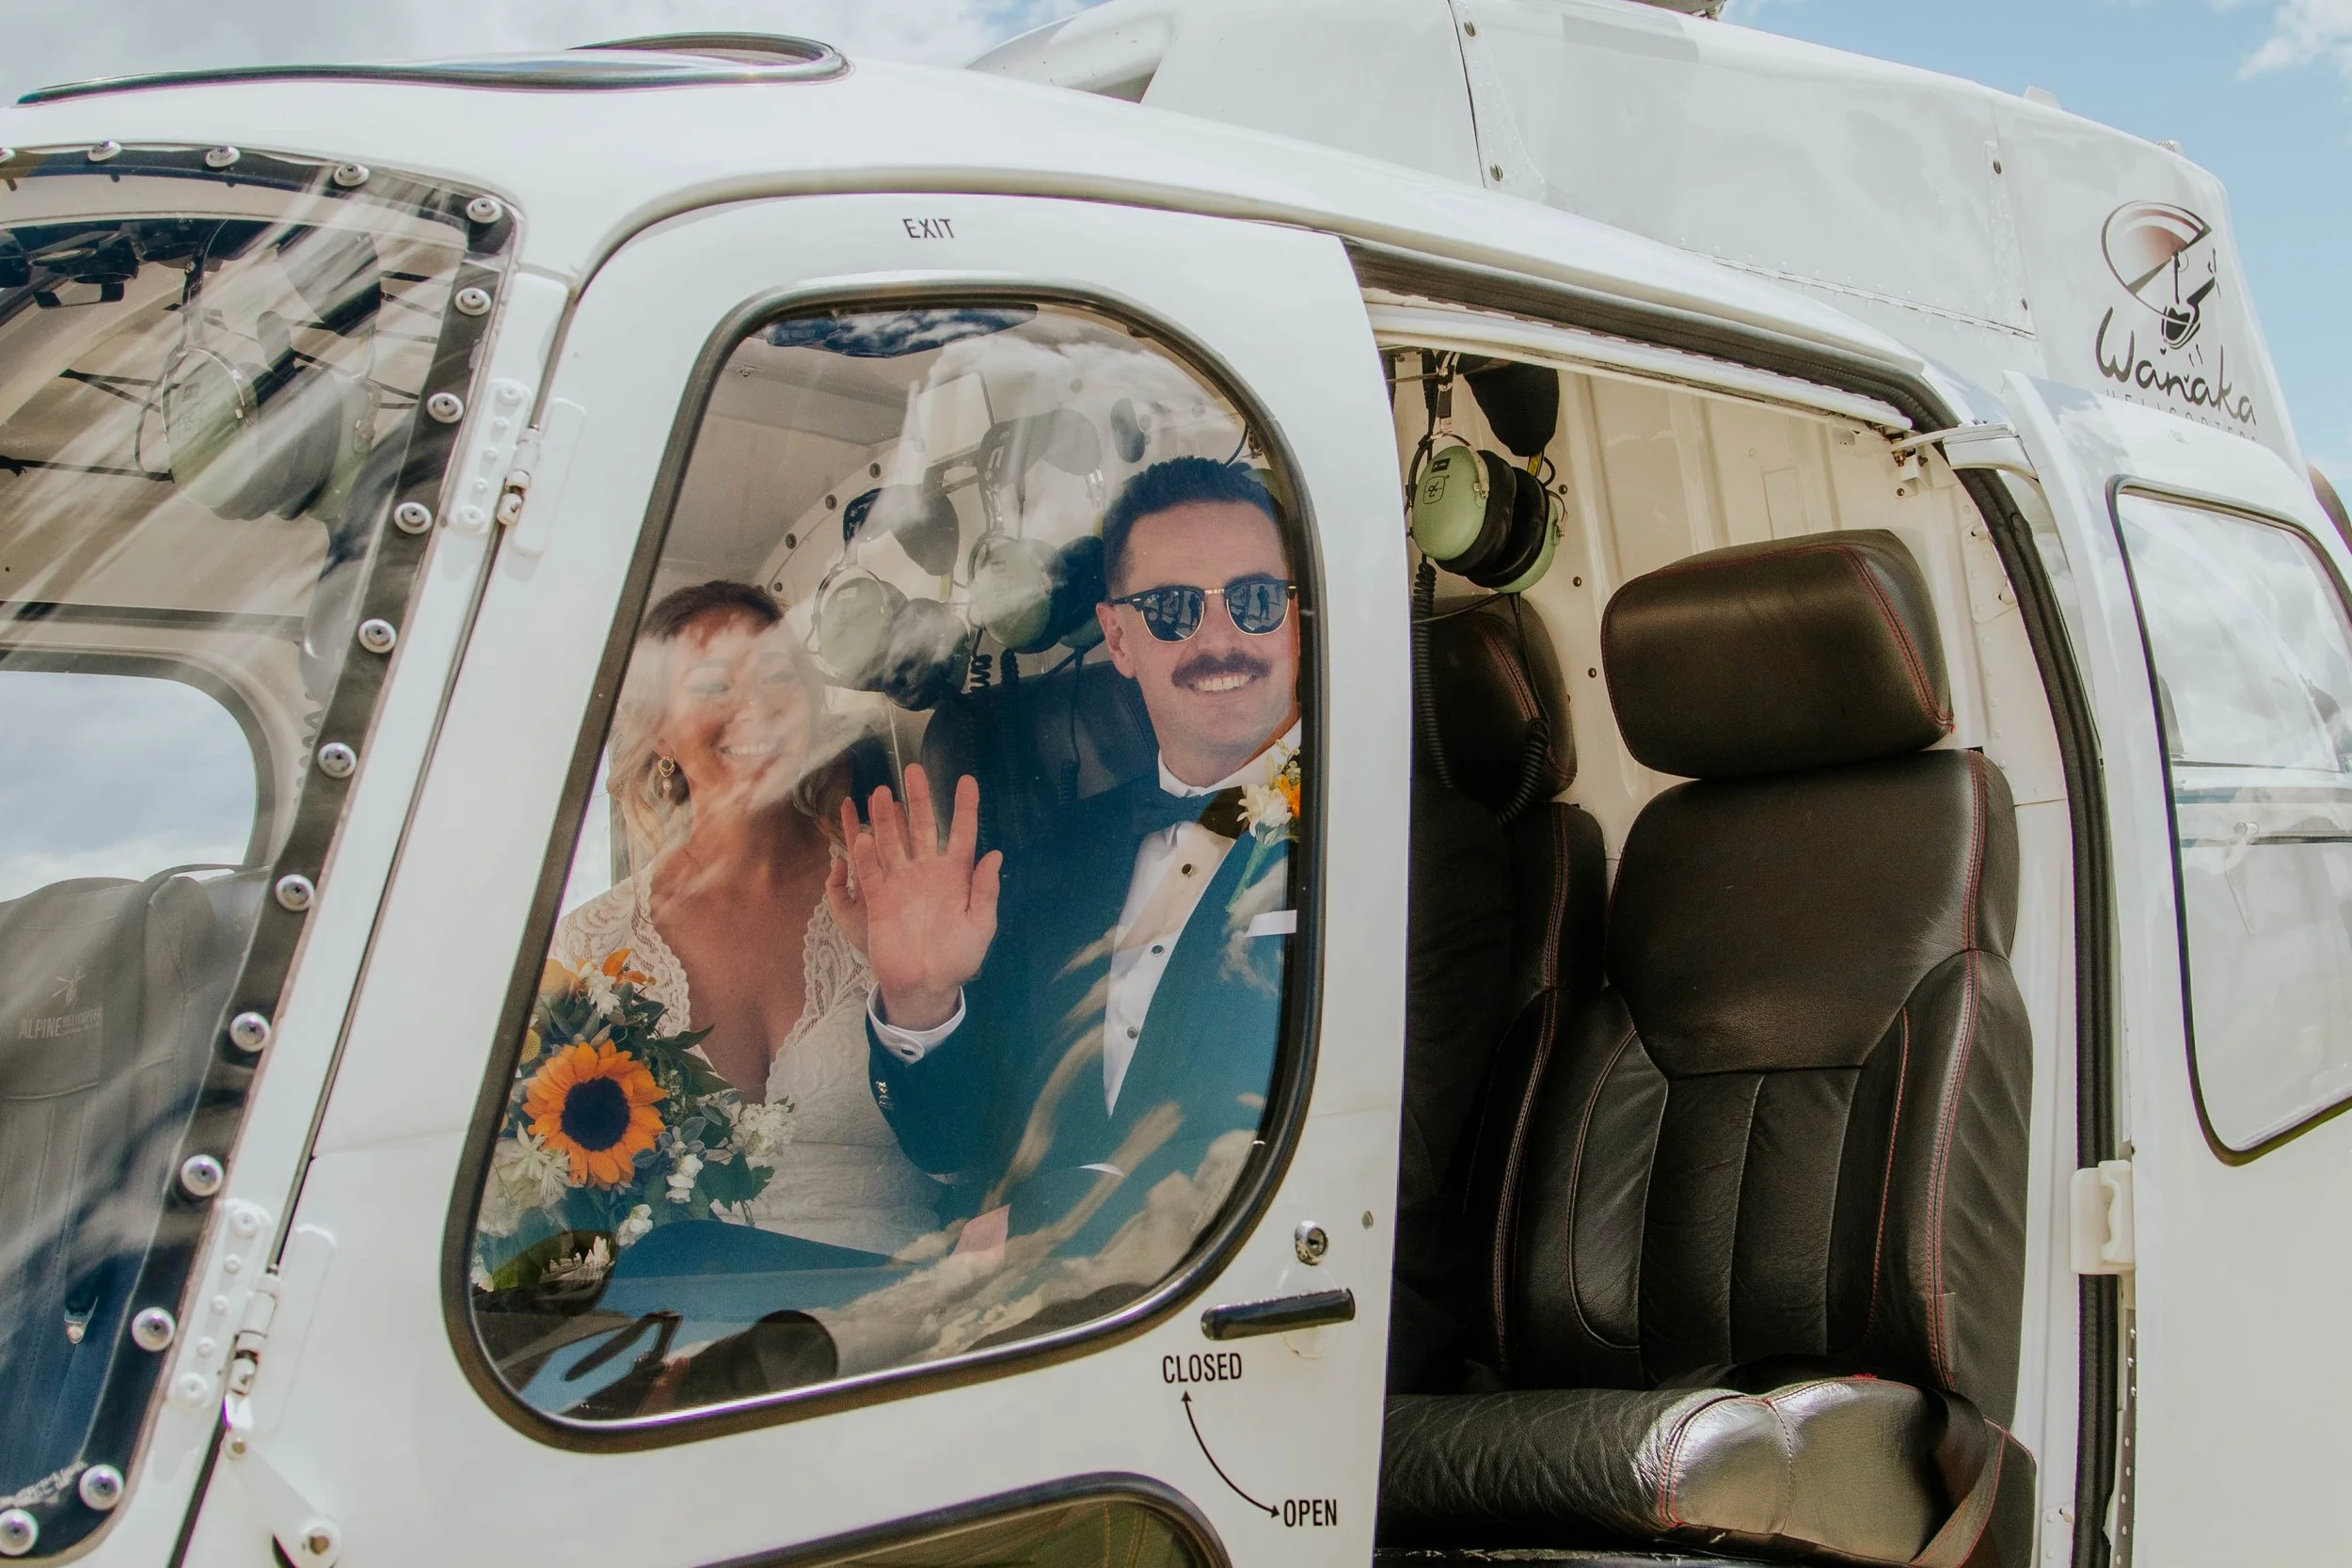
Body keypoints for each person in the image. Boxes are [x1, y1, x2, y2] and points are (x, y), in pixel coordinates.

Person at [829, 458, 1300, 1259]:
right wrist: (922, 1000)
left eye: (1254, 601)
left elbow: (1386, 1157)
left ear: (1292, 618)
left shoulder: (1390, 841)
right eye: (1173, 609)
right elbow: (957, 1150)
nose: (1220, 638)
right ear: (1117, 637)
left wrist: (1055, 1232)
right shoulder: (1054, 854)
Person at [551, 580, 939, 1257]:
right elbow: (551, 1200)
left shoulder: (897, 895)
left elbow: (972, 1153)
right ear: (660, 730)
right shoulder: (585, 948)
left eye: (775, 677)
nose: (753, 707)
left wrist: (922, 997)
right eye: (711, 685)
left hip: (896, 1328)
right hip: (679, 1337)